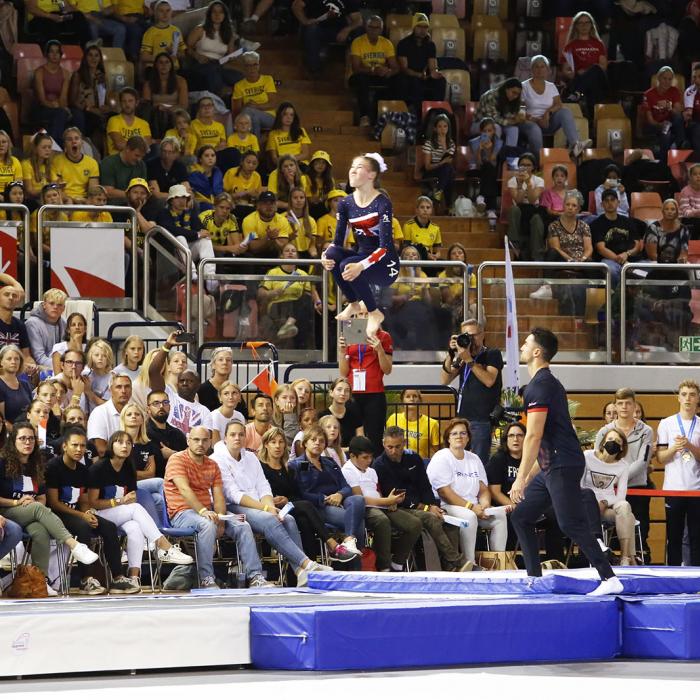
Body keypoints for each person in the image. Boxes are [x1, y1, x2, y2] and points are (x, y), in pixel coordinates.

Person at [510, 328, 621, 595]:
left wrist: (519, 478)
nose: (522, 347)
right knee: (522, 516)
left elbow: (534, 436)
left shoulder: (540, 385)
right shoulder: (546, 383)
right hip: (554, 465)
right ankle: (535, 578)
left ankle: (609, 578)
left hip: (562, 464)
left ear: (537, 352)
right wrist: (530, 477)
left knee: (570, 524)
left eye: (526, 344)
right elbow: (547, 439)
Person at [212, 420, 329, 585]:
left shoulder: (251, 457)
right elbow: (233, 494)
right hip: (233, 506)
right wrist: (266, 508)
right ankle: (307, 564)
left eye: (241, 434)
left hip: (259, 504)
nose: (237, 438)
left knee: (288, 518)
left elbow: (263, 486)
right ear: (225, 438)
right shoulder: (218, 459)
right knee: (270, 518)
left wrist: (271, 507)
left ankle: (299, 571)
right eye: (233, 434)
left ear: (246, 437)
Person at [165, 426, 273, 588]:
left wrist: (221, 519)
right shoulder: (177, 459)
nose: (200, 443)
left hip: (208, 511)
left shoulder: (212, 464)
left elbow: (219, 495)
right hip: (182, 513)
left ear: (210, 442)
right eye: (196, 439)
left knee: (242, 525)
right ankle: (206, 577)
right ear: (188, 440)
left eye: (204, 440)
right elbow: (185, 490)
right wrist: (203, 511)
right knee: (207, 524)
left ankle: (255, 576)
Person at [0, 422, 100, 595]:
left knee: (40, 532)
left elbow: (42, 497)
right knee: (38, 509)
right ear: (13, 441)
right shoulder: (2, 463)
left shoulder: (36, 464)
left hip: (29, 510)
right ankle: (75, 545)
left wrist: (33, 500)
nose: (27, 442)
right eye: (22, 438)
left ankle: (40, 580)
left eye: (31, 438)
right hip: (6, 511)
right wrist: (17, 502)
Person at [88, 430, 193, 591]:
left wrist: (126, 501)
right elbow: (92, 502)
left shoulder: (129, 467)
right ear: (111, 445)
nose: (125, 446)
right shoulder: (99, 468)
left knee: (135, 528)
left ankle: (133, 578)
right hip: (98, 514)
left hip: (120, 513)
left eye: (128, 443)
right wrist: (120, 501)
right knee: (135, 508)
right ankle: (164, 546)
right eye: (120, 442)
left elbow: (131, 496)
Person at [45, 425, 133, 595]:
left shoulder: (83, 470)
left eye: (83, 446)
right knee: (83, 526)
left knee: (108, 527)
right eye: (75, 445)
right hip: (57, 515)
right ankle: (85, 580)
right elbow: (54, 503)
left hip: (78, 514)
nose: (79, 449)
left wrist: (89, 513)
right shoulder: (53, 467)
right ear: (65, 446)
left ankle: (117, 578)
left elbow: (84, 500)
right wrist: (82, 515)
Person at [321, 153, 399, 339]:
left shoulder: (382, 202)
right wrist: (325, 257)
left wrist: (360, 266)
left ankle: (374, 312)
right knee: (333, 254)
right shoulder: (346, 203)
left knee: (346, 266)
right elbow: (337, 241)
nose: (353, 170)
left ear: (371, 175)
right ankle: (354, 303)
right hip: (361, 257)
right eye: (352, 166)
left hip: (385, 264)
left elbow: (386, 246)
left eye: (359, 167)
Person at [374, 425, 470, 571]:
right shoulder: (379, 465)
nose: (393, 451)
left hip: (421, 504)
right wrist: (426, 508)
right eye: (390, 447)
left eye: (398, 446)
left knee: (449, 521)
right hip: (398, 507)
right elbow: (397, 496)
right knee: (431, 518)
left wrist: (433, 506)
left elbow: (425, 486)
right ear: (383, 444)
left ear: (404, 443)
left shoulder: (414, 458)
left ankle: (450, 567)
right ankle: (458, 562)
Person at [258, 426, 357, 562]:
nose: (278, 446)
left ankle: (310, 566)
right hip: (270, 509)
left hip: (289, 507)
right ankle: (332, 545)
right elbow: (258, 491)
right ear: (266, 445)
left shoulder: (288, 468)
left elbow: (294, 494)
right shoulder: (260, 467)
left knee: (306, 521)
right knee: (307, 506)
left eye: (281, 442)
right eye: (273, 442)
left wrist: (286, 499)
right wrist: (271, 500)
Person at [426, 418, 507, 567]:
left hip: (475, 507)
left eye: (463, 433)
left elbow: (483, 488)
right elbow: (445, 492)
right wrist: (471, 507)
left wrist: (485, 505)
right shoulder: (441, 457)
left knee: (499, 515)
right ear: (448, 438)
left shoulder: (474, 458)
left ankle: (498, 562)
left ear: (468, 437)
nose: (459, 436)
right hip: (447, 506)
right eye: (454, 433)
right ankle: (470, 563)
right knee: (469, 517)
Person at [486, 422, 565, 561]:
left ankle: (554, 561)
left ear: (526, 439)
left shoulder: (533, 460)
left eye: (519, 435)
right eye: (511, 436)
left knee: (554, 516)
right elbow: (495, 492)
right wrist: (514, 506)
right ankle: (514, 560)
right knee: (515, 517)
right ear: (506, 439)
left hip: (533, 504)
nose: (515, 439)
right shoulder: (498, 459)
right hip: (508, 506)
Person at [342, 435, 420, 571]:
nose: (369, 460)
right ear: (353, 456)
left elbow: (377, 491)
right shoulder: (347, 470)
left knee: (414, 523)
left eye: (371, 457)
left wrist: (390, 501)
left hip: (381, 505)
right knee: (382, 521)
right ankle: (383, 567)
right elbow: (359, 498)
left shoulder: (372, 471)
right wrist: (385, 501)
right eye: (365, 458)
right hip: (365, 509)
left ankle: (397, 562)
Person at [288, 425, 364, 554]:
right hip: (318, 506)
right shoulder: (296, 465)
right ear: (305, 443)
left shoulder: (330, 462)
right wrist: (325, 499)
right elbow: (301, 493)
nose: (317, 443)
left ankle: (349, 541)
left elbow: (346, 487)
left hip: (339, 501)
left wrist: (339, 494)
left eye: (321, 441)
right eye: (313, 440)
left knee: (358, 499)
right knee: (358, 521)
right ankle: (354, 561)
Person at [439, 318, 502, 467]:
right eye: (466, 335)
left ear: (482, 334)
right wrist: (451, 354)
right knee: (458, 461)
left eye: (474, 335)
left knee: (478, 463)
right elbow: (445, 379)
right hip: (462, 420)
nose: (471, 339)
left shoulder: (492, 354)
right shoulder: (462, 357)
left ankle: (479, 490)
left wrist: (469, 360)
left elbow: (489, 380)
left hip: (481, 419)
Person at [656, 379, 700, 566]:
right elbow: (661, 458)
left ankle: (697, 574)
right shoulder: (666, 423)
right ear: (678, 398)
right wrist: (675, 447)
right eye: (684, 394)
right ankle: (673, 573)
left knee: (697, 536)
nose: (687, 398)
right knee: (673, 535)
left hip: (696, 489)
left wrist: (689, 445)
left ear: (698, 398)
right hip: (673, 488)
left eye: (692, 394)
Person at [531, 190, 593, 311]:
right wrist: (570, 260)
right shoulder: (554, 225)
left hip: (581, 260)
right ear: (563, 205)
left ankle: (600, 296)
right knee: (552, 253)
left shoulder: (584, 226)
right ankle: (546, 287)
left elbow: (589, 248)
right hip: (562, 258)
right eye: (568, 204)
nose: (570, 208)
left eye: (574, 205)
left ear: (579, 209)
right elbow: (556, 247)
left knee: (595, 265)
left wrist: (582, 260)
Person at [583, 427, 637, 565]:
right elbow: (580, 485)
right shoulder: (588, 456)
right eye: (610, 439)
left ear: (621, 448)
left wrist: (605, 501)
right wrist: (594, 503)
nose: (613, 443)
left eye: (617, 441)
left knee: (625, 507)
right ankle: (631, 558)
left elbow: (621, 496)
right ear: (603, 442)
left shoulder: (623, 466)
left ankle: (624, 557)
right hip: (587, 507)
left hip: (607, 507)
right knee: (629, 517)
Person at [520, 55, 590, 159]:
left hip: (547, 122)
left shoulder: (551, 86)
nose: (539, 70)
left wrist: (549, 112)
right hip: (530, 123)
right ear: (531, 69)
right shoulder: (523, 86)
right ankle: (538, 162)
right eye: (536, 67)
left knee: (565, 112)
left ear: (548, 70)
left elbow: (558, 104)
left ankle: (575, 144)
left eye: (542, 67)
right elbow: (520, 110)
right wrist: (537, 120)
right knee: (535, 130)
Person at [337, 321, 392, 454]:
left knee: (374, 437)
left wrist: (379, 350)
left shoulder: (383, 336)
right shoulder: (349, 334)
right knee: (351, 436)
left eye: (366, 314)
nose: (363, 318)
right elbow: (343, 372)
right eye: (359, 315)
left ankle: (374, 471)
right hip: (353, 393)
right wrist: (342, 351)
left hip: (374, 393)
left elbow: (387, 369)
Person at [155, 184, 217, 292]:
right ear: (171, 200)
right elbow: (172, 230)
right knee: (180, 237)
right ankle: (192, 273)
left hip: (188, 251)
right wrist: (196, 234)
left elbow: (202, 230)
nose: (182, 200)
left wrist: (198, 234)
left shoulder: (190, 213)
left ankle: (210, 277)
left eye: (184, 198)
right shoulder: (163, 213)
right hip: (171, 253)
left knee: (205, 240)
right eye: (178, 197)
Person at [258, 241, 321, 343]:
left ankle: (289, 325)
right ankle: (288, 327)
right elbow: (260, 292)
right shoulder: (273, 272)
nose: (290, 253)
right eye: (287, 251)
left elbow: (309, 294)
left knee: (306, 300)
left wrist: (318, 302)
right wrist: (272, 293)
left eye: (293, 251)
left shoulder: (303, 274)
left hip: (297, 307)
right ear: (282, 256)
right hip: (277, 306)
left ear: (297, 256)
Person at [348, 15, 399, 128]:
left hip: (380, 74)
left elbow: (395, 67)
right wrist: (372, 70)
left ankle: (385, 116)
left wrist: (388, 72)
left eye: (377, 28)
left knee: (397, 81)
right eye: (371, 27)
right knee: (361, 81)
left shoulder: (386, 43)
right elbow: (355, 68)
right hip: (363, 74)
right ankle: (364, 116)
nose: (373, 30)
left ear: (381, 29)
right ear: (366, 28)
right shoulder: (358, 42)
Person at [292, 0, 362, 79]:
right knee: (312, 30)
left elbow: (358, 20)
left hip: (339, 31)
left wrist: (347, 29)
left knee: (358, 31)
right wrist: (305, 21)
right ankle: (314, 69)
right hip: (318, 28)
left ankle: (354, 72)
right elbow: (296, 5)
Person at [185, 1, 242, 95]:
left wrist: (233, 51)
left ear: (225, 15)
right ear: (209, 14)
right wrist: (197, 55)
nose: (217, 15)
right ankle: (218, 99)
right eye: (214, 12)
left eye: (220, 12)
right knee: (214, 75)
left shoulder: (229, 33)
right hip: (202, 64)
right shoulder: (200, 29)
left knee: (239, 78)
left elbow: (230, 55)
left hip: (219, 64)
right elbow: (186, 47)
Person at [591, 188, 644, 287]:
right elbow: (601, 249)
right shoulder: (597, 224)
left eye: (612, 200)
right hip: (610, 260)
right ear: (602, 205)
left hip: (631, 258)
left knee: (650, 268)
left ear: (618, 202)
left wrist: (627, 254)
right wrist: (620, 259)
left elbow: (637, 245)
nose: (610, 203)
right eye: (606, 200)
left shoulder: (628, 221)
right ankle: (617, 298)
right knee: (611, 270)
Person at [560, 11, 608, 117]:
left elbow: (603, 67)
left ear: (591, 25)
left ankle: (577, 93)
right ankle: (592, 121)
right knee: (591, 86)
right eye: (581, 23)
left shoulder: (598, 44)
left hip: (598, 78)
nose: (584, 26)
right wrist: (572, 73)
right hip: (579, 79)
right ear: (576, 26)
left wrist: (586, 72)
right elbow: (565, 70)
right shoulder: (570, 46)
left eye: (587, 23)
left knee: (595, 69)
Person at [396, 13, 445, 114]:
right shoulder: (403, 44)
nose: (423, 30)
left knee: (441, 81)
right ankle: (417, 112)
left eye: (425, 27)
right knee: (413, 82)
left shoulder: (430, 45)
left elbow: (432, 66)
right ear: (414, 27)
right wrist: (418, 75)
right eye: (419, 26)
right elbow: (404, 68)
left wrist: (434, 72)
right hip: (409, 75)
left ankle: (435, 111)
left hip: (424, 76)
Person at [68, 43, 109, 150]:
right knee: (90, 118)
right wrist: (89, 109)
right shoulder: (78, 75)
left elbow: (105, 99)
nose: (93, 58)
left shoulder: (102, 77)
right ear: (85, 58)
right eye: (90, 55)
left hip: (96, 110)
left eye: (96, 55)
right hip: (82, 109)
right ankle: (82, 148)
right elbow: (72, 101)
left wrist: (106, 107)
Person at [231, 51, 279, 138]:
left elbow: (273, 104)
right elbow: (236, 111)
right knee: (253, 117)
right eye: (248, 65)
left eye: (255, 64)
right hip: (249, 117)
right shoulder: (239, 85)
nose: (252, 68)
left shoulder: (267, 79)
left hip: (269, 116)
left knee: (249, 112)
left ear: (259, 66)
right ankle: (255, 144)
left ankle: (251, 144)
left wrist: (256, 107)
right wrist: (246, 106)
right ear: (244, 67)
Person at [141, 52, 188, 139]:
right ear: (156, 65)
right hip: (156, 114)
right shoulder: (148, 83)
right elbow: (146, 105)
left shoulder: (181, 81)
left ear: (171, 65)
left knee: (167, 115)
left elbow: (183, 105)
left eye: (167, 62)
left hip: (175, 112)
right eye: (161, 62)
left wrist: (168, 109)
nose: (164, 65)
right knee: (158, 114)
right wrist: (158, 107)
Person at [507, 153, 545, 261]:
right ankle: (514, 245)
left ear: (533, 167)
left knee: (537, 219)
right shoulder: (512, 181)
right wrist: (520, 185)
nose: (525, 167)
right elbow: (518, 200)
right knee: (513, 209)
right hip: (519, 210)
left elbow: (533, 200)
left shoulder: (539, 180)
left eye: (528, 165)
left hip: (533, 209)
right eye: (522, 165)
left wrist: (528, 183)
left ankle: (537, 255)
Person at [34, 41, 72, 145]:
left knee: (72, 115)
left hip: (59, 107)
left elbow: (63, 98)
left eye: (57, 52)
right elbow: (41, 99)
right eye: (51, 51)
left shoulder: (65, 73)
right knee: (61, 114)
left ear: (61, 55)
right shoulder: (39, 72)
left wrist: (59, 106)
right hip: (43, 108)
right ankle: (55, 146)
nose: (55, 55)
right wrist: (54, 106)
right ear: (47, 54)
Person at [642, 66, 684, 161]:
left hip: (672, 124)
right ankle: (665, 162)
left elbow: (678, 112)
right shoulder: (648, 94)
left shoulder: (674, 91)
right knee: (666, 132)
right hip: (656, 124)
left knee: (677, 118)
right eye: (664, 78)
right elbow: (650, 120)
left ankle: (677, 144)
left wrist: (669, 107)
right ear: (658, 78)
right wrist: (660, 125)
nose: (667, 82)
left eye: (670, 79)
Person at [385, 388, 440, 460]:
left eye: (415, 396)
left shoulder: (432, 423)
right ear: (402, 400)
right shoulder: (393, 418)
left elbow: (439, 451)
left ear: (420, 400)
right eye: (408, 396)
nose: (411, 399)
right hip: (396, 462)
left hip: (420, 463)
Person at [86, 373, 133, 456]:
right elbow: (100, 448)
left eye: (127, 386)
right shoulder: (99, 413)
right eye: (118, 387)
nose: (123, 391)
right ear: (110, 390)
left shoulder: (135, 412)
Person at [50, 127, 100, 204]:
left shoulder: (92, 163)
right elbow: (55, 188)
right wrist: (70, 199)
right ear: (65, 144)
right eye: (69, 139)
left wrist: (86, 201)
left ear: (82, 142)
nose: (74, 141)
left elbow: (93, 191)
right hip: (64, 200)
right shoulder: (56, 161)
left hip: (84, 201)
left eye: (77, 138)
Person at [146, 389, 187, 477]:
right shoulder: (144, 434)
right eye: (156, 403)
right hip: (155, 482)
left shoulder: (177, 433)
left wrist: (173, 454)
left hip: (179, 479)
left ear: (169, 406)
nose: (161, 406)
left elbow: (190, 459)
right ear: (148, 409)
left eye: (165, 402)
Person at [473, 78, 525, 148]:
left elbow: (510, 116)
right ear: (506, 89)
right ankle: (493, 155)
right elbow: (492, 119)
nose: (515, 96)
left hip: (501, 123)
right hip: (480, 124)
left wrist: (520, 117)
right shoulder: (490, 96)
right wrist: (513, 121)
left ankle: (509, 155)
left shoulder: (512, 99)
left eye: (518, 94)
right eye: (514, 92)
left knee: (513, 129)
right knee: (496, 127)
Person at [25, 288, 67, 371]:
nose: (55, 307)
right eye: (51, 303)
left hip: (61, 365)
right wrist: (64, 366)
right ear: (44, 305)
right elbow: (39, 358)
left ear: (63, 308)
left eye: (59, 305)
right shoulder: (32, 323)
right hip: (38, 368)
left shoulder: (64, 322)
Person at [0, 277, 35, 375]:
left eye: (14, 295)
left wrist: (31, 365)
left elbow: (26, 356)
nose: (11, 297)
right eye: (6, 294)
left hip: (15, 368)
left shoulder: (20, 325)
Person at [139, 0, 185, 76]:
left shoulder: (176, 31)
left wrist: (174, 52)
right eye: (161, 11)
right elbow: (144, 56)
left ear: (171, 12)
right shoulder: (150, 32)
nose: (165, 14)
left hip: (173, 69)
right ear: (156, 13)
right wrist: (162, 59)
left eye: (168, 10)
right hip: (156, 69)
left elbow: (183, 55)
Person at [241, 191, 293, 256]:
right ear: (258, 206)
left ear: (276, 206)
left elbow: (283, 247)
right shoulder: (249, 220)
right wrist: (267, 238)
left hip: (276, 256)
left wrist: (273, 239)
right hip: (255, 257)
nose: (269, 206)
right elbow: (253, 248)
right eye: (265, 203)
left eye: (272, 203)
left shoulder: (282, 220)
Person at [421, 116, 456, 213]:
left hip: (444, 171)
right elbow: (427, 166)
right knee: (449, 170)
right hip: (431, 170)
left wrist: (445, 162)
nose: (443, 129)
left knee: (448, 170)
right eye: (440, 126)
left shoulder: (451, 143)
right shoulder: (429, 143)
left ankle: (438, 194)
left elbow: (449, 160)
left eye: (445, 126)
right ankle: (449, 205)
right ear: (435, 129)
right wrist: (442, 162)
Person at [100, 135, 149, 203]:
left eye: (142, 156)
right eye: (137, 155)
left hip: (135, 204)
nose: (139, 159)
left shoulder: (141, 165)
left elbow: (141, 189)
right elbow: (108, 191)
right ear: (127, 149)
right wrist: (130, 195)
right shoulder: (109, 163)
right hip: (114, 205)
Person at [106, 87, 152, 156]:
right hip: (118, 160)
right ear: (120, 103)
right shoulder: (113, 120)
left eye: (130, 101)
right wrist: (140, 145)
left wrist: (127, 145)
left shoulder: (144, 124)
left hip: (138, 160)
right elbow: (119, 145)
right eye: (124, 101)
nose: (127, 104)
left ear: (136, 103)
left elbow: (147, 145)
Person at [319, 377, 363, 449]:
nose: (343, 393)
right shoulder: (322, 415)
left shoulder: (354, 415)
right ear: (331, 392)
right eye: (339, 390)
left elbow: (360, 439)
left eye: (346, 391)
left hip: (351, 454)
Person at [266, 103, 312, 168]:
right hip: (283, 165)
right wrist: (286, 162)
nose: (289, 117)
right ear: (280, 116)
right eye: (285, 114)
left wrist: (291, 160)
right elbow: (274, 159)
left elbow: (305, 154)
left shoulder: (301, 131)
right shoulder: (273, 134)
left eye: (291, 115)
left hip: (300, 163)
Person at [645, 199, 690, 264]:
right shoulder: (653, 228)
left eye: (672, 209)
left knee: (689, 267)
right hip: (656, 263)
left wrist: (681, 261)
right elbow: (652, 256)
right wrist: (667, 264)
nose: (669, 212)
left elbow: (683, 254)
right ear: (662, 211)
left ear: (677, 212)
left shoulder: (683, 229)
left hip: (677, 264)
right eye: (667, 209)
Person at [0, 345, 33, 426]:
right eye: (9, 359)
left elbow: (32, 411)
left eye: (16, 359)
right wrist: (18, 433)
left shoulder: (25, 384)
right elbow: (2, 421)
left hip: (28, 431)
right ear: (1, 362)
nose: (13, 362)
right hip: (10, 435)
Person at [188, 145, 224, 211]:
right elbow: (205, 192)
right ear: (200, 159)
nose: (210, 158)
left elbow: (219, 191)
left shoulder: (218, 172)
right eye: (207, 156)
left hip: (216, 203)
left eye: (213, 155)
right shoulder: (194, 173)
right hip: (199, 205)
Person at [22, 133, 54, 203]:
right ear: (35, 148)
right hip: (32, 201)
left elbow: (54, 184)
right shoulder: (26, 164)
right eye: (44, 147)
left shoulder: (49, 165)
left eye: (49, 147)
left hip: (48, 199)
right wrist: (46, 191)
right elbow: (29, 191)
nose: (47, 150)